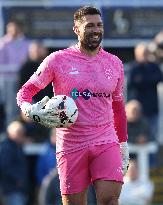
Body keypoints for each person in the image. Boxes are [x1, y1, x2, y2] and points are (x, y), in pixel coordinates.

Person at [17, 6, 129, 205]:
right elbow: (25, 92)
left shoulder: (115, 63)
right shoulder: (57, 60)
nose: (96, 30)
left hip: (105, 140)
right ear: (76, 29)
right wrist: (29, 109)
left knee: (110, 199)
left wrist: (123, 143)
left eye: (99, 25)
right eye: (90, 26)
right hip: (71, 144)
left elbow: (118, 107)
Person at [127, 42, 163, 141]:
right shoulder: (133, 68)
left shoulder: (154, 67)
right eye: (142, 53)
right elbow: (132, 83)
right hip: (137, 111)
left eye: (145, 53)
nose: (144, 56)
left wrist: (143, 80)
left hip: (152, 109)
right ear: (136, 54)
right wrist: (149, 80)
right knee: (135, 140)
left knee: (151, 138)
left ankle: (153, 157)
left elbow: (159, 78)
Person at [0, 121, 29, 205]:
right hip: (11, 189)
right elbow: (4, 167)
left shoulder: (17, 145)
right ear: (11, 133)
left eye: (22, 133)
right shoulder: (6, 147)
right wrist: (17, 180)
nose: (22, 136)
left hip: (19, 189)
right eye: (19, 133)